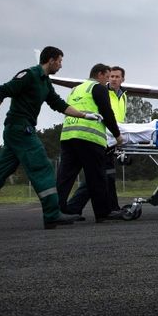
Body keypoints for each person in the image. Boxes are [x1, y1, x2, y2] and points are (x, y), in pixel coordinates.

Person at [0, 46, 102, 231]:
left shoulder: (45, 82)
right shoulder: (29, 75)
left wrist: (85, 115)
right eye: (60, 61)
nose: (61, 66)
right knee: (43, 167)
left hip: (20, 131)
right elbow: (1, 92)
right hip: (20, 128)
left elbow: (59, 104)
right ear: (51, 60)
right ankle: (52, 214)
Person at [56, 63, 124, 223]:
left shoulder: (75, 89)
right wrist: (117, 135)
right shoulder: (98, 88)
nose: (107, 81)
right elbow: (107, 112)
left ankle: (56, 211)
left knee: (65, 177)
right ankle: (103, 213)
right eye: (107, 77)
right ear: (100, 75)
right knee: (97, 177)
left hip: (68, 136)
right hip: (89, 138)